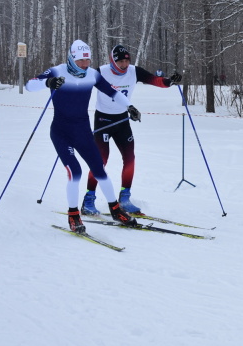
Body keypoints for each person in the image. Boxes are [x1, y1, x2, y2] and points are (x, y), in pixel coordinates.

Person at [25, 39, 140, 233]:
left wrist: (128, 106)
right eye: (81, 61)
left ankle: (115, 210)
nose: (85, 65)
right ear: (72, 59)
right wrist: (48, 82)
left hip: (83, 131)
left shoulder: (92, 75)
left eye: (88, 60)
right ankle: (73, 215)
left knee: (99, 170)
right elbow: (29, 85)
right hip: (61, 132)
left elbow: (112, 92)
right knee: (75, 172)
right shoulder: (58, 71)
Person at [81, 44, 181, 216]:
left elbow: (155, 80)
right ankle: (88, 200)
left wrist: (170, 81)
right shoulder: (101, 72)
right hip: (103, 120)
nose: (124, 65)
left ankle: (125, 198)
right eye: (120, 62)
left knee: (129, 158)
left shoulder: (133, 71)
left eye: (127, 61)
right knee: (101, 160)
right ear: (113, 61)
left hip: (122, 120)